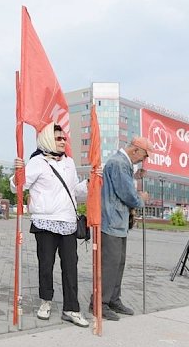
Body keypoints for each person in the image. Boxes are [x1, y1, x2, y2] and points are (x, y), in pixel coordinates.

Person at [10, 123, 90, 328]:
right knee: (46, 265)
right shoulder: (37, 162)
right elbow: (17, 186)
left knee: (70, 266)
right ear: (47, 140)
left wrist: (90, 184)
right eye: (58, 138)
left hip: (68, 222)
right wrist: (17, 172)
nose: (63, 141)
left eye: (64, 138)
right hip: (45, 221)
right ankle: (45, 302)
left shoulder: (70, 163)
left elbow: (74, 193)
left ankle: (71, 308)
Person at [93, 136, 151, 321]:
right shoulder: (119, 163)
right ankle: (100, 303)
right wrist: (141, 198)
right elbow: (126, 193)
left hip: (117, 222)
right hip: (111, 221)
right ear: (135, 151)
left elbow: (121, 184)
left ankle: (113, 299)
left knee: (118, 263)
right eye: (142, 157)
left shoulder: (122, 163)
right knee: (109, 265)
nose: (142, 161)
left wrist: (135, 177)